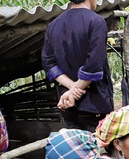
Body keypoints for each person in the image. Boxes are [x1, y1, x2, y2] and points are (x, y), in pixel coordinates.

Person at [41, 0, 114, 131]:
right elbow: (94, 64)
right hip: (94, 104)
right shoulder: (96, 22)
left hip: (67, 104)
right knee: (97, 146)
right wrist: (74, 91)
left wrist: (70, 88)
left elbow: (48, 62)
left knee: (76, 148)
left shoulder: (53, 25)